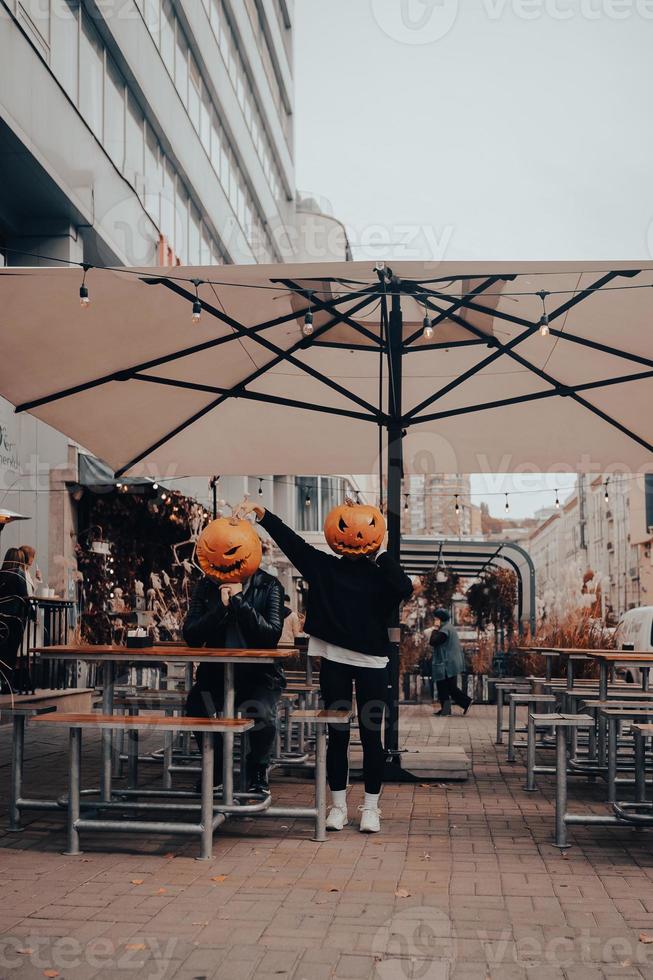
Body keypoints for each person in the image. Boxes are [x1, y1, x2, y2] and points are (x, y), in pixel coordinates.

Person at [242, 501, 413, 835]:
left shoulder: (382, 575)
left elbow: (404, 587)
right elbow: (292, 543)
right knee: (337, 735)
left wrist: (379, 553)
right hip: (334, 659)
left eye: (366, 531)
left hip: (373, 662)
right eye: (349, 529)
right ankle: (337, 807)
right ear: (336, 534)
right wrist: (264, 516)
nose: (357, 536)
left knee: (371, 737)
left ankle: (371, 808)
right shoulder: (324, 566)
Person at [183, 543, 285, 795]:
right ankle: (217, 767)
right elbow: (192, 635)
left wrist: (239, 602)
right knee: (196, 707)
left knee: (263, 714)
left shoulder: (269, 585)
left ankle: (258, 767)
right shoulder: (206, 586)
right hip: (215, 676)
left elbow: (270, 635)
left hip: (260, 676)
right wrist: (221, 607)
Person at [430, 608, 472, 716]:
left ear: (439, 619)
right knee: (449, 686)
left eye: (435, 618)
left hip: (447, 663)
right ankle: (456, 705)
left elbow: (433, 642)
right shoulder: (449, 627)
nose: (434, 620)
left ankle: (461, 703)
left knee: (443, 686)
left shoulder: (444, 630)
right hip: (451, 662)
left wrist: (435, 629)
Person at [0, 547, 29, 693]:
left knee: (2, 651)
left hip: (1, 619)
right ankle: (7, 685)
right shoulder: (19, 574)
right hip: (15, 619)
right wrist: (31, 614)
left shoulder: (1, 574)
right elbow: (25, 598)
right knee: (11, 653)